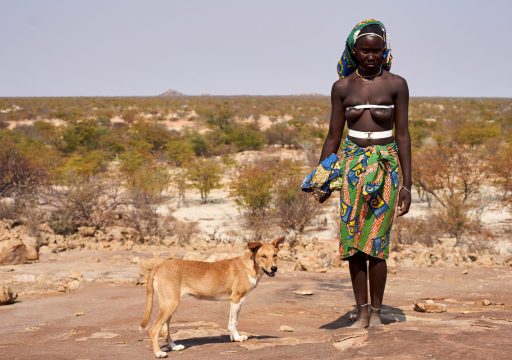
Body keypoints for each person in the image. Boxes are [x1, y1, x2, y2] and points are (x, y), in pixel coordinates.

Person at [317, 19, 411, 328]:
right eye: (365, 51)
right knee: (353, 243)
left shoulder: (396, 84)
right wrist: (322, 178)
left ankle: (377, 312)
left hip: (385, 167)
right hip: (352, 166)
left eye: (377, 51)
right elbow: (333, 136)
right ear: (354, 51)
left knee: (377, 243)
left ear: (385, 51)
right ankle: (360, 312)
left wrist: (407, 185)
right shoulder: (342, 88)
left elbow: (403, 135)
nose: (371, 56)